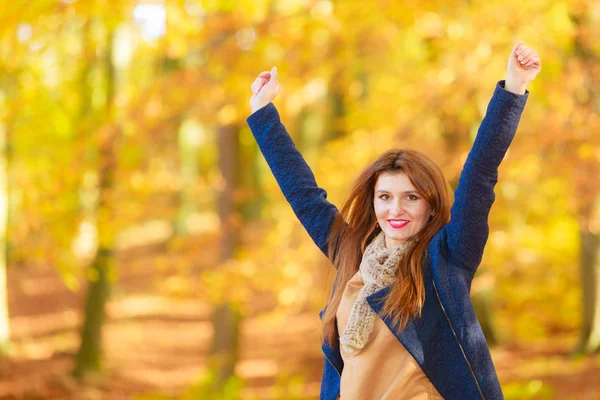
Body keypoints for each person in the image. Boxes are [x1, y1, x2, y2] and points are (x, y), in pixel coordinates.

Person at [246, 41, 541, 400]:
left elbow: (479, 173)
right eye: (385, 197)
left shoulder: (446, 260)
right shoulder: (352, 254)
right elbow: (304, 195)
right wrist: (263, 113)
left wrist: (513, 87)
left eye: (411, 197)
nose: (395, 210)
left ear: (432, 206)